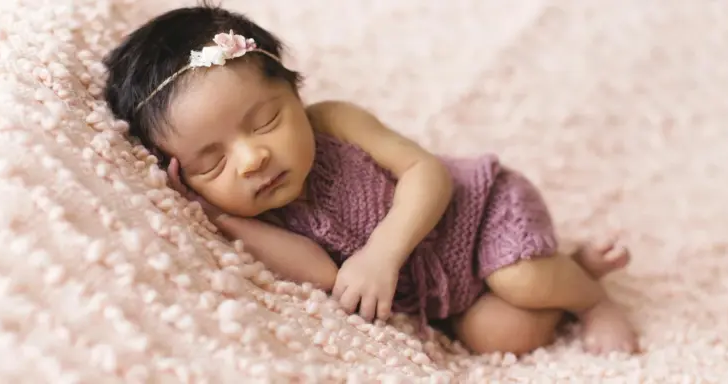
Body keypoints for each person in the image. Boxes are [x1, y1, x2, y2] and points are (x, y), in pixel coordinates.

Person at [102, 2, 638, 355]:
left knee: (520, 279)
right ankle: (565, 263)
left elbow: (428, 173)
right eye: (210, 164)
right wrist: (217, 215)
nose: (251, 160)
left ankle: (591, 297)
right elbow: (321, 274)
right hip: (456, 293)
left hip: (484, 212)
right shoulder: (255, 212)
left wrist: (382, 254)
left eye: (265, 121)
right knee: (501, 336)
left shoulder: (335, 122)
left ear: (296, 93)